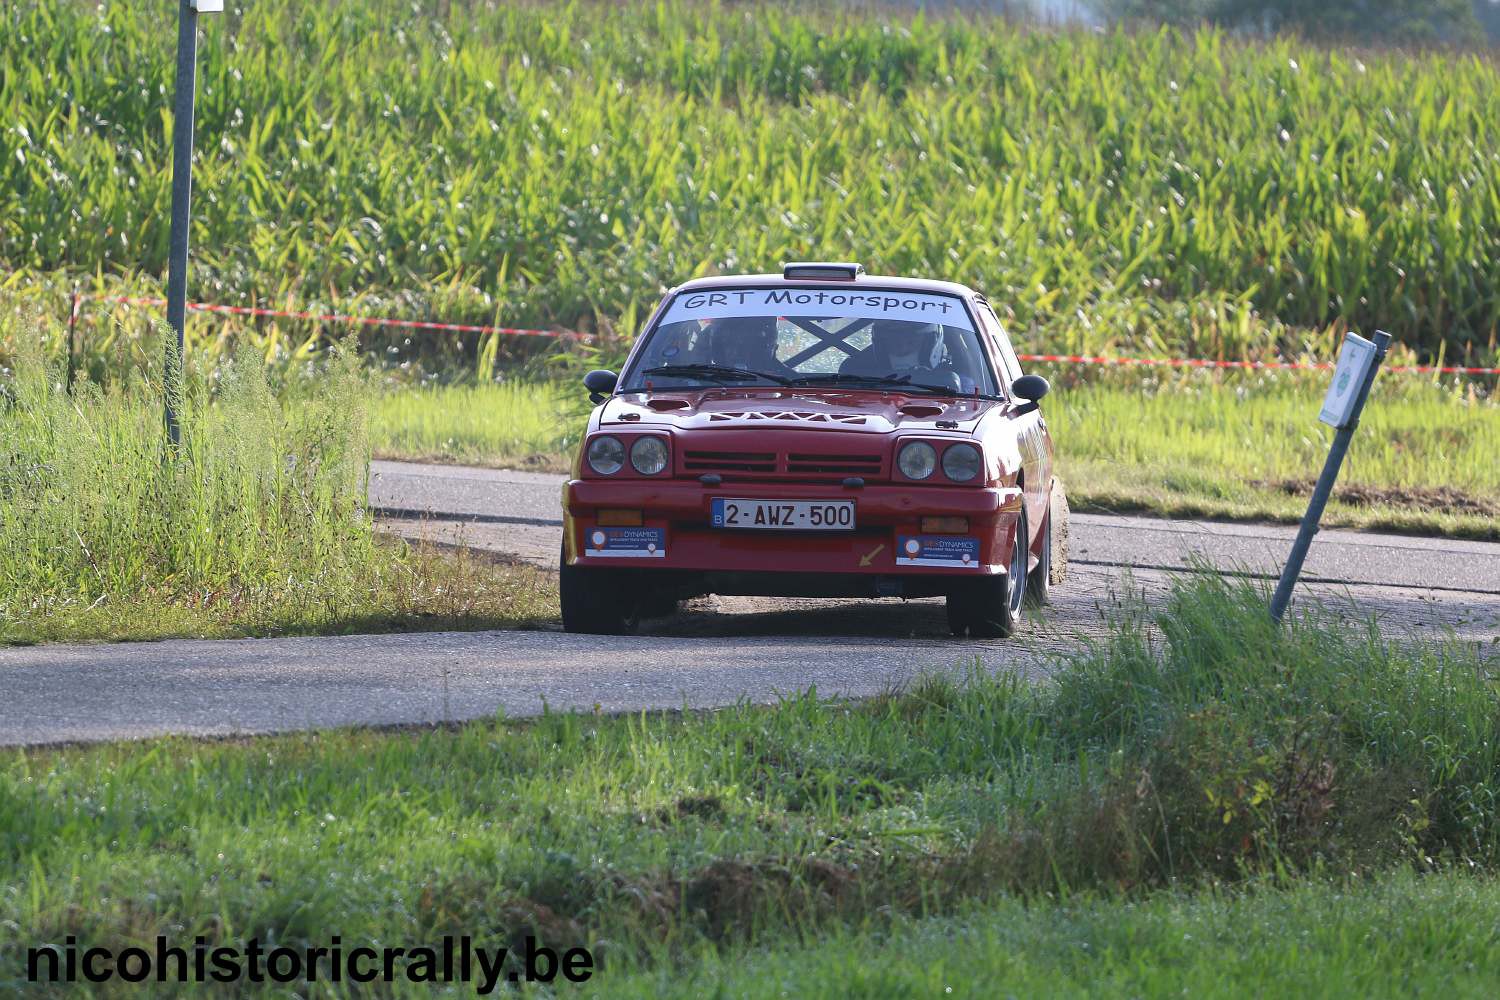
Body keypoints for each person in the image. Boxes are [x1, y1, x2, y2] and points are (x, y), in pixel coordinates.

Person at [707, 316, 796, 378]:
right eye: (730, 343)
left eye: (747, 343)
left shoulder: (795, 383)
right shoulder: (699, 379)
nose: (737, 352)